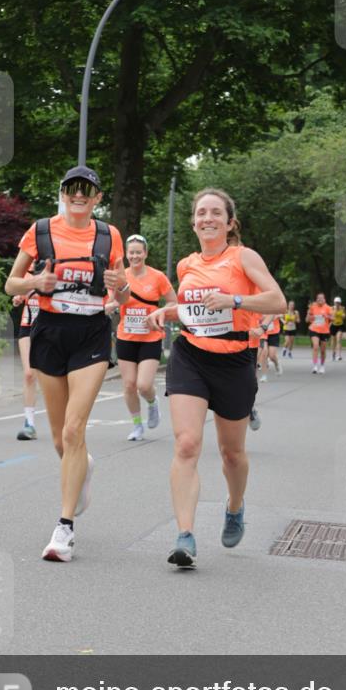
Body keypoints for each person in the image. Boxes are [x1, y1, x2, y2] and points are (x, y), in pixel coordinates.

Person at [146, 187, 286, 569]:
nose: (207, 218)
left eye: (215, 213)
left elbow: (277, 301)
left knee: (232, 454)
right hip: (190, 356)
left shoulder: (243, 257)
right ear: (193, 223)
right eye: (201, 213)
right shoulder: (186, 265)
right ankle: (185, 535)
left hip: (235, 361)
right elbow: (194, 310)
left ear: (229, 222)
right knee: (187, 444)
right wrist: (168, 312)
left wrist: (236, 300)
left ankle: (235, 507)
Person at [5, 165, 129, 563]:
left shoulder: (109, 236)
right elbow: (11, 283)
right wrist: (34, 283)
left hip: (91, 333)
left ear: (97, 198)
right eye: (72, 189)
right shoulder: (41, 231)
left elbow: (123, 294)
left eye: (86, 190)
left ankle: (64, 528)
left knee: (75, 429)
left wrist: (120, 288)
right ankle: (83, 468)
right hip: (50, 332)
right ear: (63, 193)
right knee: (61, 440)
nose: (79, 195)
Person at [113, 234, 176, 441]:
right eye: (131, 252)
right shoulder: (121, 276)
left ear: (145, 253)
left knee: (143, 385)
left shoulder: (157, 277)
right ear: (126, 254)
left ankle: (152, 402)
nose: (135, 256)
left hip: (150, 337)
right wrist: (107, 307)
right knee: (129, 385)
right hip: (126, 337)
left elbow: (173, 302)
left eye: (138, 252)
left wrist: (159, 313)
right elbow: (112, 301)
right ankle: (137, 426)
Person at [12, 286, 40, 440]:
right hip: (28, 326)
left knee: (56, 377)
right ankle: (29, 423)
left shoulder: (58, 273)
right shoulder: (27, 274)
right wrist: (18, 298)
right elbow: (19, 291)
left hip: (51, 328)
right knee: (29, 374)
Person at [307, 293, 333, 374]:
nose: (320, 299)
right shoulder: (313, 307)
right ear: (316, 299)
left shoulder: (328, 308)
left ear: (324, 299)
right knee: (315, 346)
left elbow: (333, 318)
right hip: (314, 329)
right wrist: (310, 316)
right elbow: (307, 319)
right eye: (318, 298)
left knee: (323, 351)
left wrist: (327, 316)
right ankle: (315, 366)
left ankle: (322, 366)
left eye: (321, 298)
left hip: (325, 331)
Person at [258, 314, 283, 381]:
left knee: (272, 356)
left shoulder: (274, 307)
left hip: (274, 333)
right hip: (263, 333)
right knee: (264, 353)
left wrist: (277, 316)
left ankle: (277, 364)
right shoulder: (260, 309)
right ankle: (264, 375)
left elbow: (283, 313)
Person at [331, 296, 346, 361]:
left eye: (338, 302)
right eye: (336, 302)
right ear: (334, 303)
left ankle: (339, 355)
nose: (337, 304)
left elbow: (344, 316)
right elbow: (331, 317)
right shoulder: (332, 308)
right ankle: (333, 353)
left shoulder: (343, 308)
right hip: (333, 325)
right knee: (333, 340)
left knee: (339, 339)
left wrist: (343, 315)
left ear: (340, 303)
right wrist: (334, 312)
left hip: (340, 325)